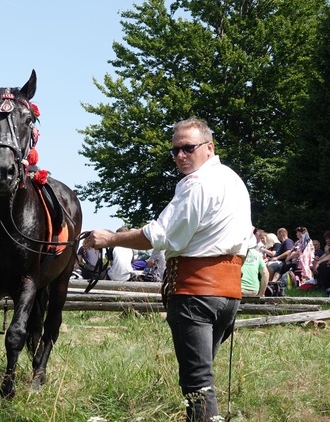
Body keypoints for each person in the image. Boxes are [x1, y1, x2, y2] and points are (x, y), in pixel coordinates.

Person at [83, 117, 253, 421]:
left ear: (209, 147)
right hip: (228, 294)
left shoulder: (196, 184)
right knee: (202, 377)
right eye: (174, 151)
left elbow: (157, 236)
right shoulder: (234, 180)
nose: (180, 156)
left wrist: (110, 238)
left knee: (198, 384)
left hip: (196, 292)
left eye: (188, 148)